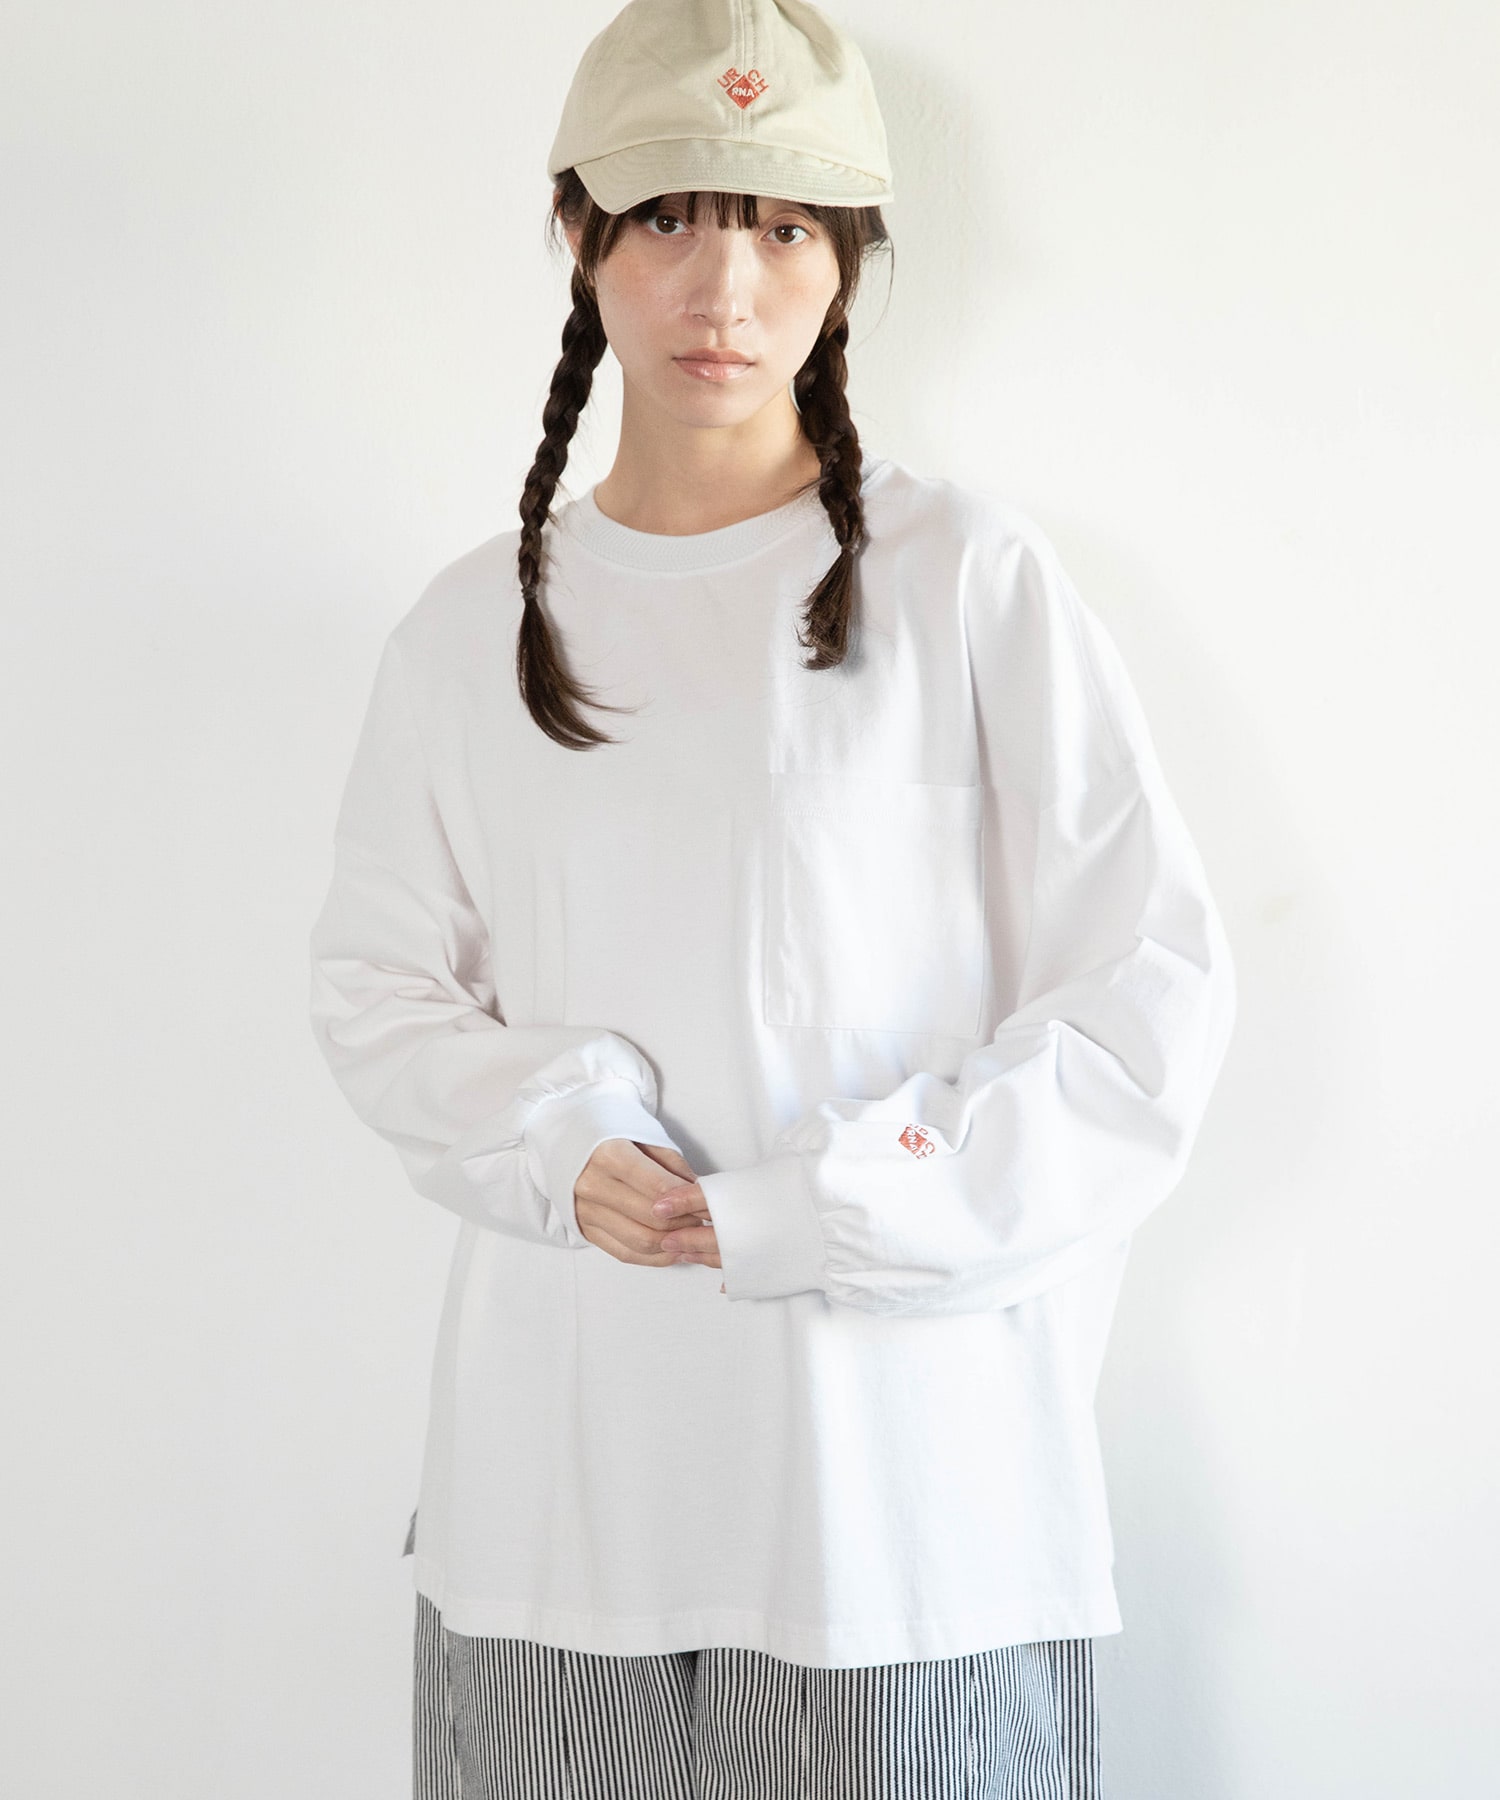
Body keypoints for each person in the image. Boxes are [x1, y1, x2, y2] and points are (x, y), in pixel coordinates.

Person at [306, 0, 1238, 1793]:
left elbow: (1148, 1006)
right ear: (578, 230)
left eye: (784, 227)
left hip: (902, 1524)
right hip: (558, 1523)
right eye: (667, 215)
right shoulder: (467, 629)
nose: (722, 288)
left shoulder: (969, 584)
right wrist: (556, 1129)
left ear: (848, 260)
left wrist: (829, 1209)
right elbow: (377, 985)